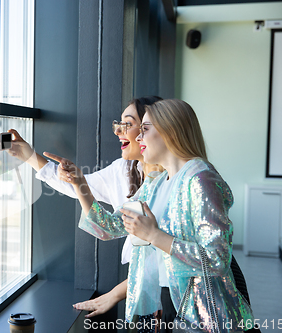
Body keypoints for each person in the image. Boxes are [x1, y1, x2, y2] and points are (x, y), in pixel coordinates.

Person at [57, 99, 255, 332]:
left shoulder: (201, 178)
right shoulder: (156, 183)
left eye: (145, 129)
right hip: (167, 299)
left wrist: (154, 235)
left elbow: (216, 258)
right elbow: (109, 227)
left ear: (169, 131)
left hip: (201, 311)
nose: (138, 138)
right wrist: (80, 183)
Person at [7, 96, 164, 321]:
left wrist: (115, 294)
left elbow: (169, 256)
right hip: (142, 288)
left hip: (167, 291)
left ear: (153, 128)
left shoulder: (170, 180)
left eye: (127, 124)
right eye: (118, 124)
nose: (118, 131)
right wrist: (29, 156)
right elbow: (106, 222)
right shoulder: (126, 170)